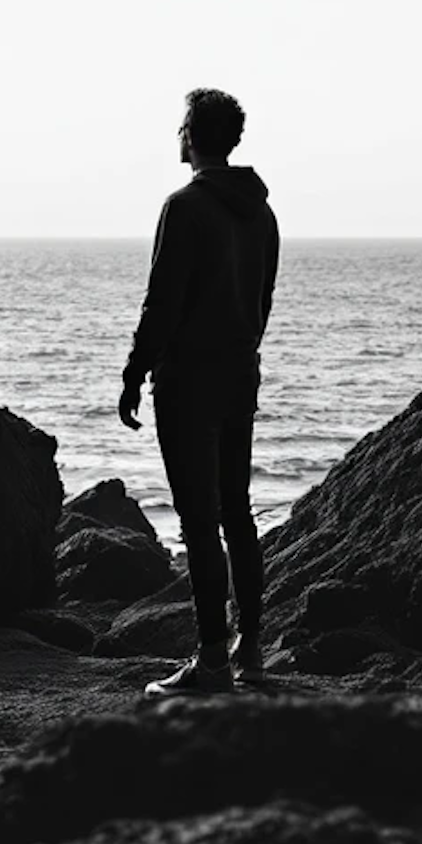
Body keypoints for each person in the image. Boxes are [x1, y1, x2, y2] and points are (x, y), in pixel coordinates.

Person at [118, 87, 280, 694]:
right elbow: (262, 301)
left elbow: (162, 301)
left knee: (198, 518)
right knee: (237, 513)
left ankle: (211, 659)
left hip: (189, 380)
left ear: (191, 132)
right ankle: (252, 652)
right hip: (240, 374)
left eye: (180, 126)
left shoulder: (184, 207)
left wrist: (137, 370)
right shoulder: (262, 213)